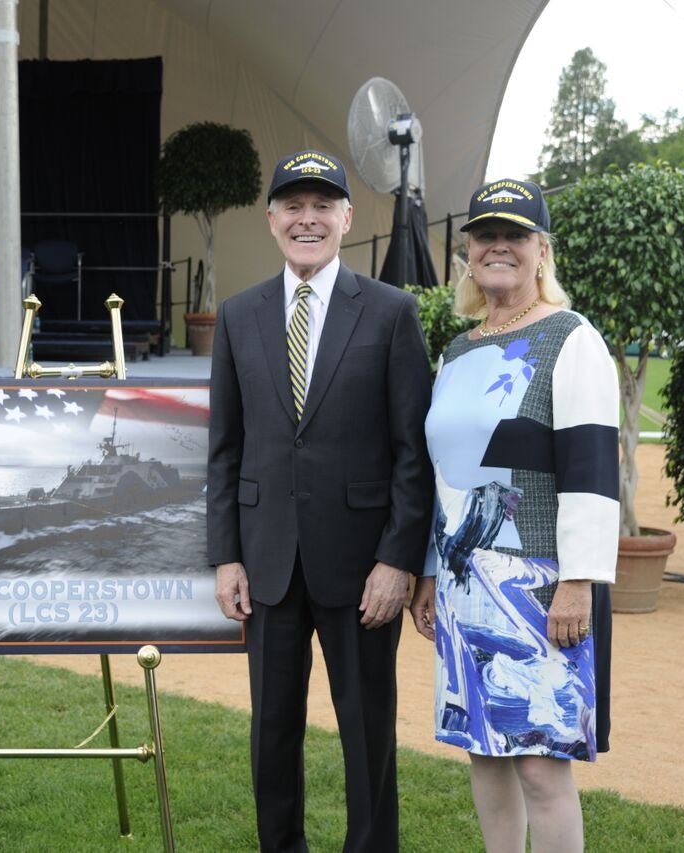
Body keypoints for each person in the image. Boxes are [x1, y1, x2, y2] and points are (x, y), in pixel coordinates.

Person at [208, 149, 434, 852]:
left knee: (367, 731)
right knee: (272, 731)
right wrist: (226, 557)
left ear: (346, 217)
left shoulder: (393, 312)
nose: (307, 218)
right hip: (269, 564)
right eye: (293, 206)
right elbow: (225, 447)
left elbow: (412, 452)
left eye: (322, 206)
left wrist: (397, 559)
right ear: (272, 218)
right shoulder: (239, 315)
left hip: (363, 569)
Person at [409, 179, 617, 853]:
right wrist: (431, 573)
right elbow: (445, 476)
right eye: (485, 234)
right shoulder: (457, 350)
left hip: (540, 584)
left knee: (538, 763)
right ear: (468, 252)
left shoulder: (571, 338)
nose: (499, 245)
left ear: (541, 250)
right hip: (465, 583)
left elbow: (590, 465)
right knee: (485, 749)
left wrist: (580, 579)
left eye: (516, 234)